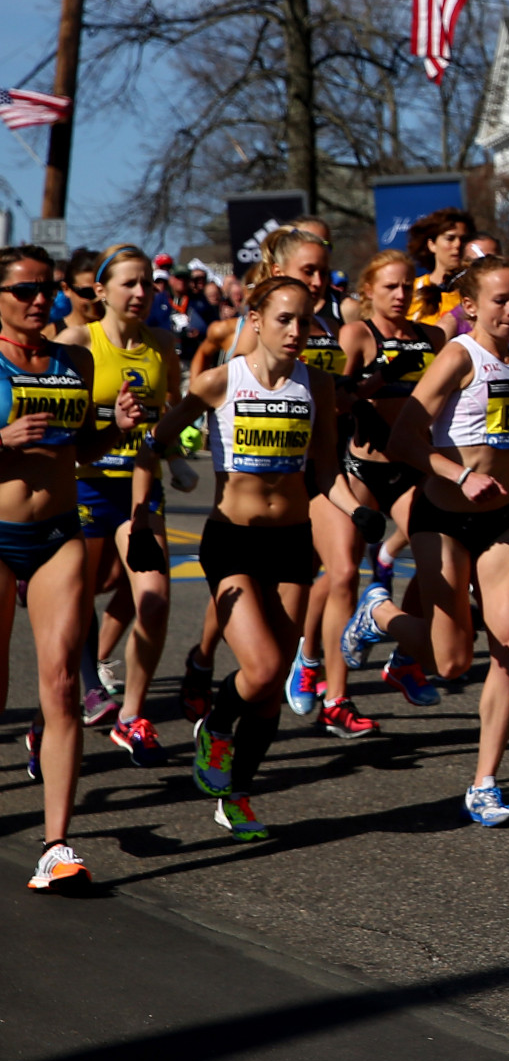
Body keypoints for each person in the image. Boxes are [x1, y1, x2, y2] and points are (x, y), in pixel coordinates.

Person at [149, 273, 334, 845]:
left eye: (305, 320)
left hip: (292, 539)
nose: (297, 331)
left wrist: (354, 512)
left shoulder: (317, 386)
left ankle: (237, 795)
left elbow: (325, 470)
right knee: (257, 667)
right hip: (231, 539)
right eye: (284, 319)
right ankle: (216, 725)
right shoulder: (217, 382)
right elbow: (162, 436)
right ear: (255, 320)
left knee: (274, 677)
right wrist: (175, 466)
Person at [384, 256, 509, 826]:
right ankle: (377, 615)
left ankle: (485, 782)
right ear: (471, 307)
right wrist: (460, 475)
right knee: (451, 662)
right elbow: (403, 435)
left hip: (499, 519)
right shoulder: (458, 355)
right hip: (443, 515)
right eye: (499, 299)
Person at [5, 246, 146, 885]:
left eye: (49, 289)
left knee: (61, 684)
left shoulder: (75, 361)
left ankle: (56, 846)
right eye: (26, 290)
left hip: (60, 532)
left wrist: (114, 429)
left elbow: (79, 445)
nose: (42, 300)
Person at [63, 245, 179, 762]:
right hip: (84, 485)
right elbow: (60, 425)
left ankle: (132, 715)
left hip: (139, 488)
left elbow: (169, 414)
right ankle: (68, 702)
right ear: (101, 291)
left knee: (153, 597)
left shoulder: (162, 347)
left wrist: (176, 460)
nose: (139, 293)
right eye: (128, 283)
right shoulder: (75, 343)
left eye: (147, 284)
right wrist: (111, 424)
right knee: (74, 602)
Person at [333, 253, 448, 713]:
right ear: (369, 292)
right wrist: (382, 377)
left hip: (410, 469)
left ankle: (404, 659)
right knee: (340, 574)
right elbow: (336, 401)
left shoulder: (433, 337)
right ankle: (326, 682)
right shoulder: (358, 335)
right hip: (361, 467)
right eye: (390, 288)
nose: (401, 296)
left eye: (407, 288)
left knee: (434, 561)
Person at [406, 208, 476, 327]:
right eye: (450, 238)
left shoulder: (478, 289)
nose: (458, 245)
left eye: (464, 239)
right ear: (432, 244)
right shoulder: (411, 290)